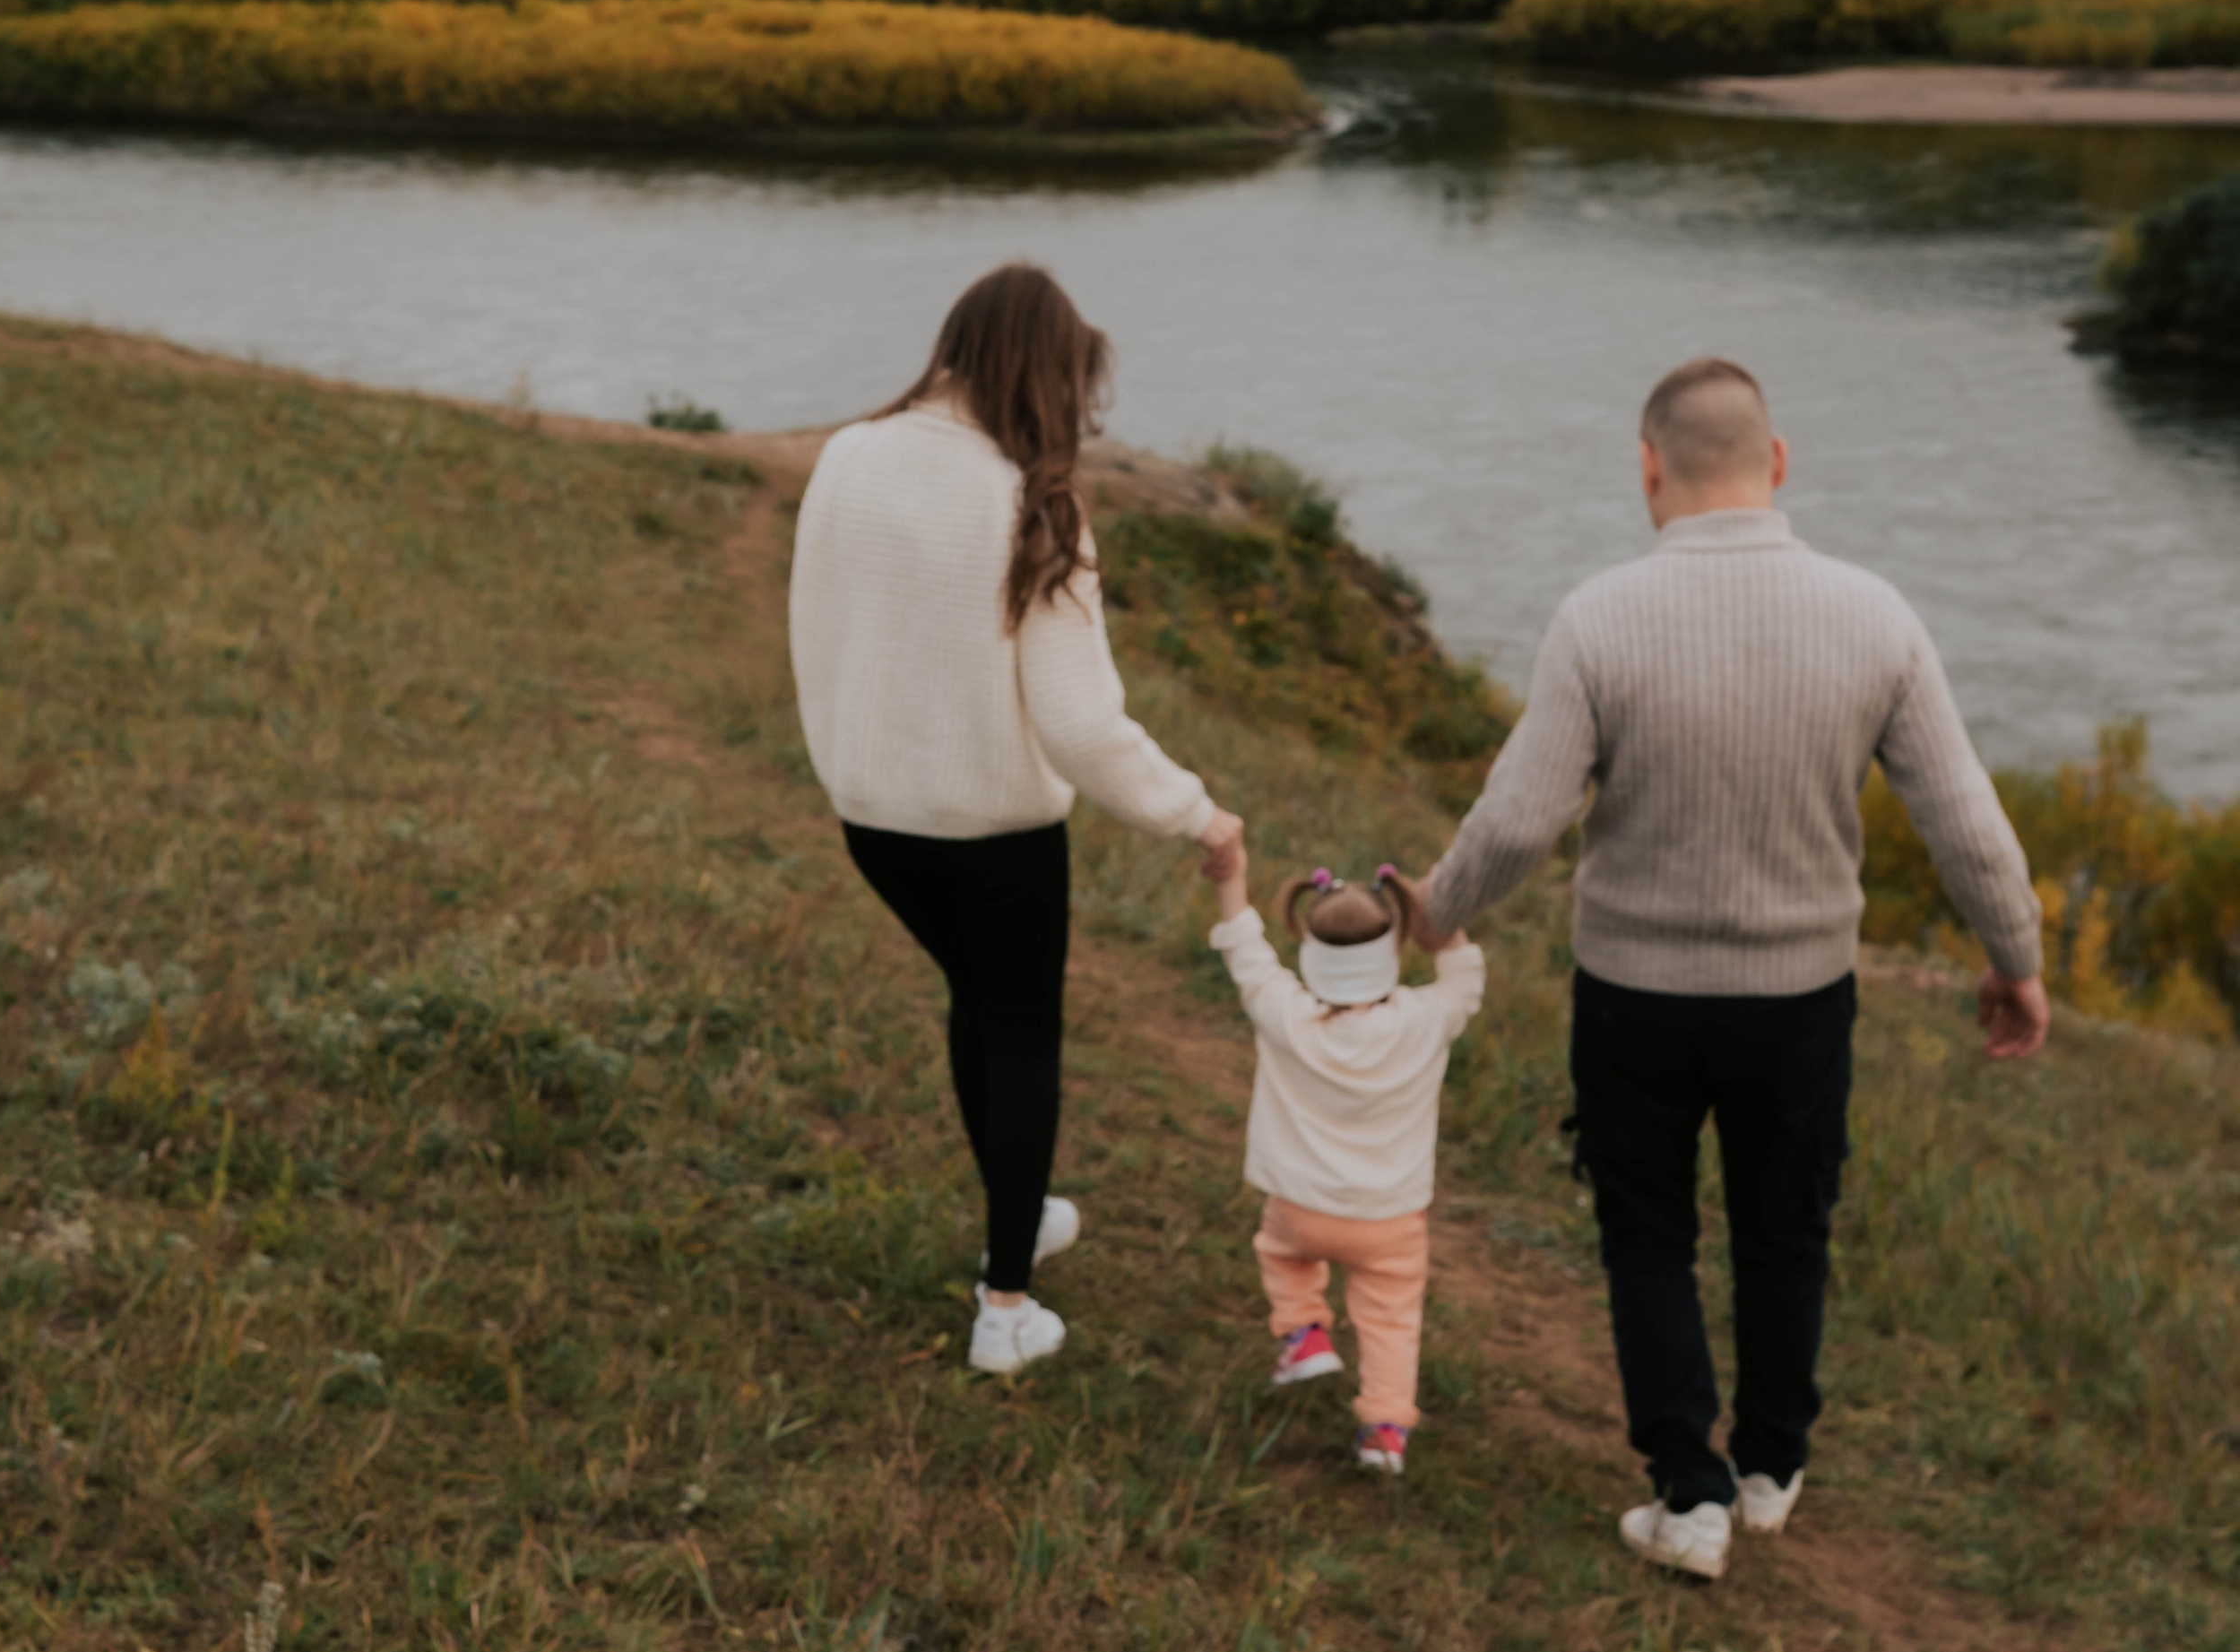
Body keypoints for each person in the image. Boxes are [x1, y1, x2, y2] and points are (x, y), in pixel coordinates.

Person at [1405, 356, 2049, 1581]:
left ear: (1648, 468)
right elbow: (1965, 822)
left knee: (1647, 1232)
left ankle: (1685, 1495)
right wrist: (2014, 958)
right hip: (1799, 1001)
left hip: (1633, 998)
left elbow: (1521, 819)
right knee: (1783, 1227)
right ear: (1779, 462)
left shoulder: (1599, 616)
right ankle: (1768, 1469)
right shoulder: (1876, 616)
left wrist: (1438, 912)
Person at [789, 264, 1244, 1377]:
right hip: (995, 836)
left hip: (872, 817)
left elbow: (817, 624)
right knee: (1021, 1031)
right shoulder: (1032, 505)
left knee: (978, 1001)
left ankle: (1018, 1207)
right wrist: (1198, 816)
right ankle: (1004, 1308)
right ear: (1046, 375)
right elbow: (1082, 726)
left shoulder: (847, 454)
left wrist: (845, 759)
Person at [1205, 853, 1486, 1477]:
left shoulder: (1284, 1013)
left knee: (1281, 1252)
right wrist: (1441, 922)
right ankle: (1384, 1432)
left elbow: (1245, 950)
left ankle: (1303, 1332)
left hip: (1299, 1208)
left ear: (1311, 951)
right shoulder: (1425, 1020)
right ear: (1392, 950)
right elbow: (1465, 976)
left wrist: (1231, 879)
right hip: (1391, 1219)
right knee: (1391, 1317)